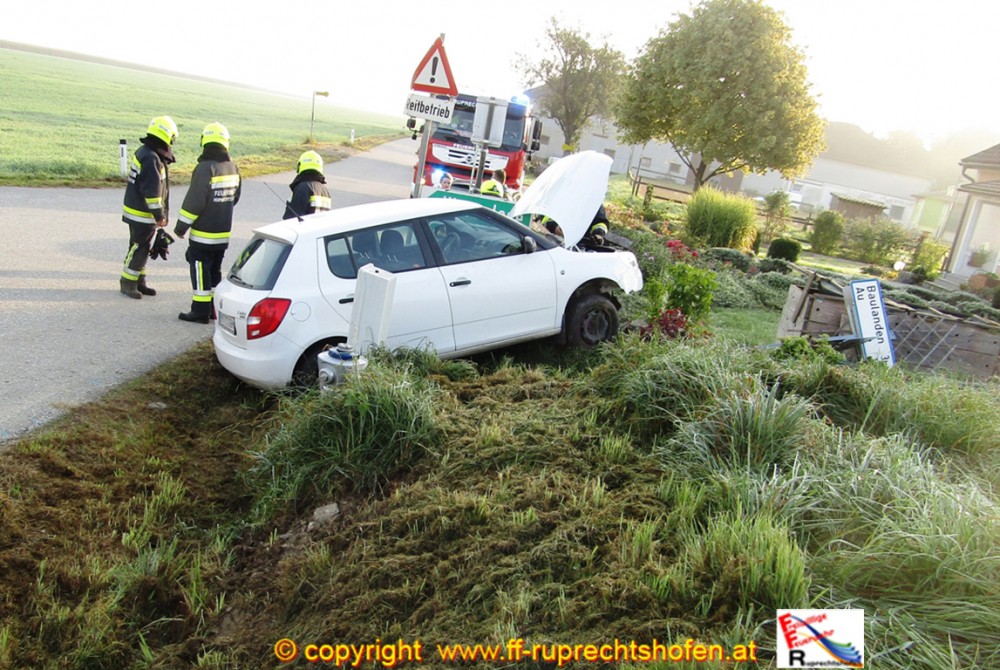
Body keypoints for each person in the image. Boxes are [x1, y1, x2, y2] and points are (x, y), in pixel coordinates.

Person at [174, 122, 241, 323]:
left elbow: (194, 202)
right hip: (222, 234)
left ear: (204, 142)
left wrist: (181, 227)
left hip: (203, 234)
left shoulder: (205, 168)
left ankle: (200, 311)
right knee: (214, 271)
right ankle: (213, 309)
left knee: (199, 268)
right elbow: (235, 197)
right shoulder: (233, 168)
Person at [119, 115, 177, 299]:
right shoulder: (152, 158)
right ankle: (127, 283)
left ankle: (139, 281)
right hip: (142, 213)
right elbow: (152, 192)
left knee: (142, 247)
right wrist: (159, 215)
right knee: (138, 247)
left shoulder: (147, 152)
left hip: (138, 211)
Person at [283, 150, 331, 219]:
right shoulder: (325, 191)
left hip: (304, 229)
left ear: (300, 166)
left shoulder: (303, 188)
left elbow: (292, 219)